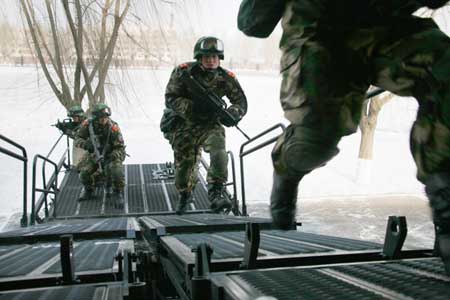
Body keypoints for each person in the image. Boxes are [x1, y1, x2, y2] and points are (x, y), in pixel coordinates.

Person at [237, 0, 450, 274]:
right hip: (319, 33)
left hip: (384, 28)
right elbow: (253, 22)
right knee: (314, 143)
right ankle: (286, 168)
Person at [161, 36, 248, 214]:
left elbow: (240, 102)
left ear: (219, 59)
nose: (211, 61)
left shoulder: (225, 78)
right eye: (207, 57)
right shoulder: (184, 72)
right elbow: (170, 98)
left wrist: (233, 113)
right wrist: (191, 107)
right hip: (186, 124)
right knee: (184, 168)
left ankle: (216, 192)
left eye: (215, 57)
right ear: (199, 57)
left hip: (211, 124)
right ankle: (185, 193)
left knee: (219, 154)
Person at [74, 103, 126, 207]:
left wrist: (113, 155)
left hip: (112, 154)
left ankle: (118, 192)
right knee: (83, 172)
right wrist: (86, 144)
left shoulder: (113, 127)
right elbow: (77, 138)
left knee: (116, 171)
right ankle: (89, 190)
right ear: (96, 118)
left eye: (105, 117)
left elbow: (120, 147)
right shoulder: (88, 125)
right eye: (101, 118)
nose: (104, 120)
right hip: (95, 153)